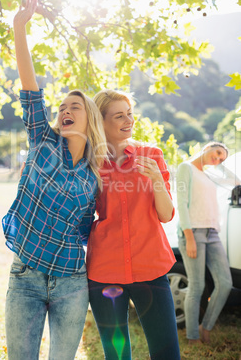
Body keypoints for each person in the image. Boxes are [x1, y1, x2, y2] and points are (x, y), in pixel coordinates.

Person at [2, 0, 108, 359]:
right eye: (62, 107)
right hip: (26, 277)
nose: (64, 110)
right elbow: (30, 89)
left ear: (88, 119)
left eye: (73, 107)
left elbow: (86, 228)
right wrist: (20, 27)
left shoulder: (96, 173)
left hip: (71, 282)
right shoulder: (42, 139)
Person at [86, 90, 181, 359]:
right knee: (117, 354)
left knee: (167, 352)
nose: (129, 120)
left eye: (130, 114)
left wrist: (157, 182)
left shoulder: (151, 154)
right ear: (101, 122)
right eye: (119, 116)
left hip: (150, 265)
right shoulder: (90, 163)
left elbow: (166, 214)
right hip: (105, 270)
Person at [176, 142, 233, 344]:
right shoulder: (186, 168)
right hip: (194, 233)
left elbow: (235, 181)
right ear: (207, 147)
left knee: (225, 283)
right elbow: (181, 203)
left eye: (221, 159)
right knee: (197, 286)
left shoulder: (209, 175)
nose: (216, 159)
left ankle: (205, 326)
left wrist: (221, 162)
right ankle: (192, 337)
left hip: (212, 234)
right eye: (216, 153)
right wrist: (189, 236)